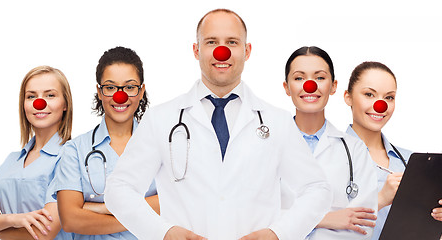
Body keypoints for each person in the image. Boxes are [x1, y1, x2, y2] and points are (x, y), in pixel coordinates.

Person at [105, 9, 332, 240]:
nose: (221, 52)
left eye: (231, 42)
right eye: (211, 42)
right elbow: (118, 189)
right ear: (196, 50)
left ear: (247, 51)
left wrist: (278, 234)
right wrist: (163, 233)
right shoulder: (161, 119)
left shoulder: (277, 122)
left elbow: (317, 190)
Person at [344, 61, 442, 239]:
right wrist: (380, 199)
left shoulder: (411, 162)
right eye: (369, 94)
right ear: (348, 97)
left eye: (389, 97)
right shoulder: (324, 155)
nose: (380, 105)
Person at [53, 46, 158, 239]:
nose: (120, 96)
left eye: (129, 87)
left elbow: (174, 202)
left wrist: (103, 208)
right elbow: (70, 220)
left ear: (141, 91)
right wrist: (140, 214)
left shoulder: (161, 144)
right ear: (99, 92)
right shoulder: (75, 151)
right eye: (110, 87)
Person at [0, 65, 74, 240]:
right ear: (24, 105)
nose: (40, 103)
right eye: (31, 96)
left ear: (65, 104)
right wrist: (13, 219)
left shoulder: (71, 157)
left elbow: (43, 232)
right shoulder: (11, 160)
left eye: (50, 95)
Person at [282, 46, 378, 239]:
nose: (310, 85)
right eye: (299, 78)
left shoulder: (355, 150)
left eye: (319, 77)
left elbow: (363, 226)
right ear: (287, 87)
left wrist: (291, 222)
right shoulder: (264, 145)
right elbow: (252, 217)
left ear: (333, 86)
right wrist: (326, 219)